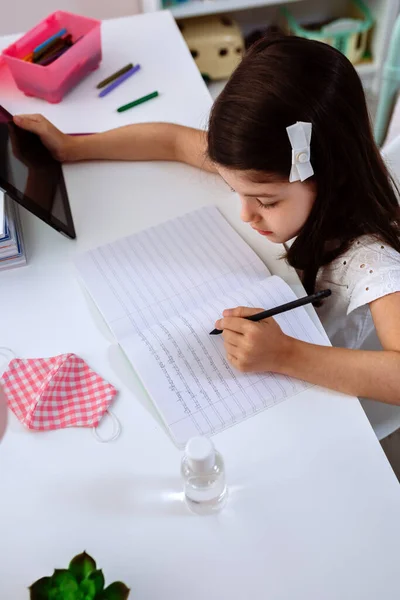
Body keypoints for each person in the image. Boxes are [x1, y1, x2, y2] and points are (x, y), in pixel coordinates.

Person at [13, 35, 400, 404]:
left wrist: (287, 355)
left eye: (265, 201)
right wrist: (73, 148)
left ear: (331, 178)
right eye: (236, 192)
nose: (246, 213)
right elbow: (172, 141)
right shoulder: (267, 163)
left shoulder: (370, 254)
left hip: (316, 387)